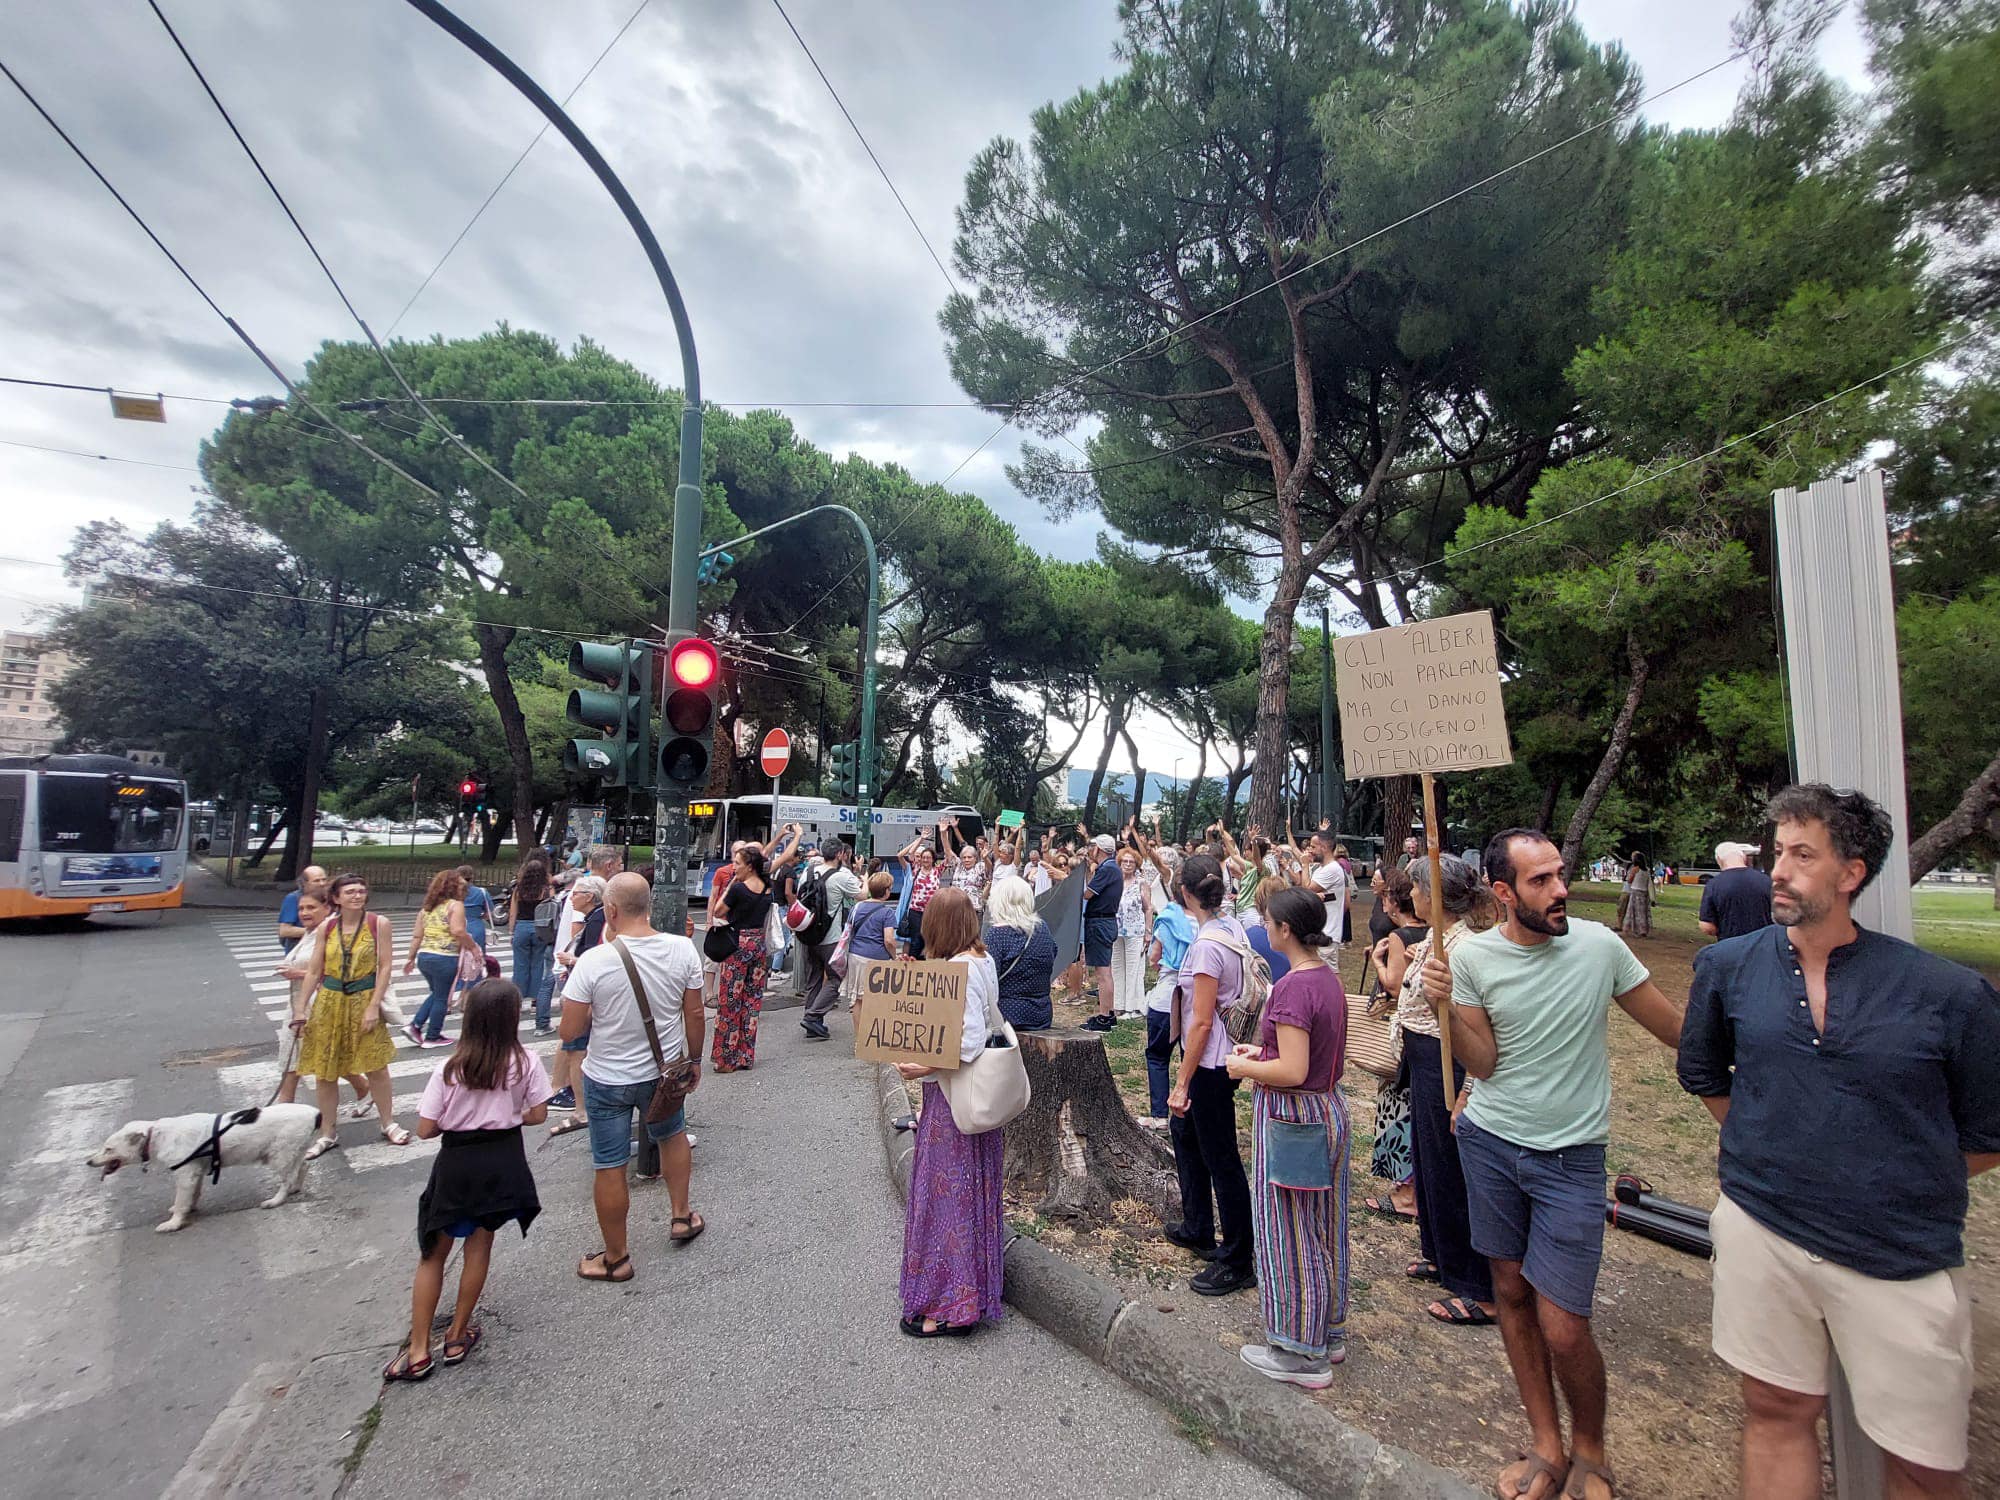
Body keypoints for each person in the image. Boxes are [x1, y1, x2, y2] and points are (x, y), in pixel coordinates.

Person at [1679, 786, 2000, 1500]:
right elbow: (1702, 1071)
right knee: (1775, 1409)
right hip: (1763, 1229)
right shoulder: (1728, 969)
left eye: (1802, 855)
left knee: (1922, 1457)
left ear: (1851, 873)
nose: (1780, 871)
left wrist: (1888, 1181)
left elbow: (1989, 1131)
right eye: (1777, 853)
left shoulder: (1948, 996)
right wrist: (1773, 1147)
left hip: (1899, 1257)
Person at [1421, 830, 1684, 1500]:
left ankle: (1590, 1452)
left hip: (1571, 1159)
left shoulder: (1600, 947)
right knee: (1509, 1292)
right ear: (1503, 892)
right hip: (1490, 1144)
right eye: (1540, 881)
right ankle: (1547, 1444)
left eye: (1560, 875)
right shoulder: (1473, 957)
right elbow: (1484, 1065)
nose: (1559, 890)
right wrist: (1442, 1005)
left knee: (1565, 1325)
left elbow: (1676, 1030)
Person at [383, 977, 552, 1383]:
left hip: (457, 1162)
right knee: (480, 1244)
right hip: (503, 1159)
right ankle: (458, 1335)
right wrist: (507, 1114)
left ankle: (419, 1350)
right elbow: (539, 1115)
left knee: (433, 1252)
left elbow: (426, 1129)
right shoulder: (526, 1061)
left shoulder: (451, 1067)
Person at [1225, 886, 1350, 1386]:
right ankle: (1329, 1330)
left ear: (1285, 931)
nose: (1264, 925)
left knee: (1290, 1232)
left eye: (1268, 920)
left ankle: (1301, 1351)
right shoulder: (1326, 977)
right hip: (1327, 1111)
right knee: (1322, 1225)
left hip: (1296, 1119)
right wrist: (1263, 1054)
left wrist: (1243, 1067)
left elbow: (1295, 1069)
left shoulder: (1294, 987)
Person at [560, 872, 705, 1283]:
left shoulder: (594, 961)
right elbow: (694, 1014)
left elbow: (569, 1032)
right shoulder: (681, 949)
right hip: (663, 1074)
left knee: (609, 1164)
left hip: (607, 1076)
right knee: (672, 1136)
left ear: (610, 910)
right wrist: (694, 1060)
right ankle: (680, 1216)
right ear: (650, 906)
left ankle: (616, 1257)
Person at [892, 888, 1006, 1337]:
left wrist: (923, 1065)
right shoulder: (981, 960)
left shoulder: (959, 967)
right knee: (971, 1193)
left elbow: (967, 1041)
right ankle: (972, 1292)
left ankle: (948, 1305)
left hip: (952, 1095)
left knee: (946, 1199)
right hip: (976, 1098)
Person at [1402, 854, 1500, 1328]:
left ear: (1436, 895)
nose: (1413, 896)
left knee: (1450, 1165)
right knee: (1428, 1159)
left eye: (1419, 888)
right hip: (1421, 1056)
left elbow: (1470, 1019)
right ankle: (1440, 1251)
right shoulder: (1432, 939)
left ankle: (1476, 1283)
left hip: (1449, 1061)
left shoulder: (1462, 948)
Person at [1161, 852, 1257, 1296]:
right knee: (1189, 1139)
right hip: (1218, 1057)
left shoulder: (1206, 947)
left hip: (1210, 1062)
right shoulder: (1230, 927)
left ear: (1184, 893)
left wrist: (1181, 1082)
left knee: (1221, 1157)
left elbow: (1200, 1021)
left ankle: (1239, 1257)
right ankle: (1197, 1224)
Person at [296, 873, 411, 1159]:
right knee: (326, 1071)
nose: (357, 895)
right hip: (330, 1001)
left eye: (361, 891)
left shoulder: (378, 924)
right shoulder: (327, 927)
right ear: (336, 898)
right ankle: (327, 1132)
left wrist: (373, 1006)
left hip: (363, 999)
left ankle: (388, 1122)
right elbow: (314, 970)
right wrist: (301, 1008)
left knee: (376, 1066)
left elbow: (385, 967)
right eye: (350, 892)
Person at [1358, 866, 1423, 1222]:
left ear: (1390, 901)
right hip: (1425, 1037)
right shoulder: (1431, 932)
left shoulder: (1402, 937)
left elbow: (1395, 986)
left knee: (1398, 1108)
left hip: (1402, 1030)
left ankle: (1404, 1193)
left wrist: (1380, 962)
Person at [274, 889, 373, 1118]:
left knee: (325, 1057)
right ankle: (282, 1110)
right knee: (293, 1056)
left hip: (321, 1003)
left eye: (311, 908)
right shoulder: (310, 933)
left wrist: (297, 973)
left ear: (327, 908)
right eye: (301, 908)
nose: (305, 912)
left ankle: (362, 1090)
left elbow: (336, 972)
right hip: (299, 1003)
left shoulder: (331, 933)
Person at [544, 874, 605, 1131]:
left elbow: (596, 959)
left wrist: (571, 961)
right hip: (584, 992)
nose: (571, 898)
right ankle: (580, 1105)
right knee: (574, 1049)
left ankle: (582, 1109)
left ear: (589, 897)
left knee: (576, 1049)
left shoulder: (596, 920)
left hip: (585, 995)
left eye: (576, 893)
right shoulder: (596, 918)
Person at [708, 844, 773, 1070]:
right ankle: (746, 1055)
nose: (734, 867)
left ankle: (726, 1058)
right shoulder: (767, 888)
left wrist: (731, 885)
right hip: (758, 944)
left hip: (737, 945)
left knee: (729, 1001)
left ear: (750, 866)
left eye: (737, 863)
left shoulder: (738, 889)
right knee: (752, 1000)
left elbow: (718, 911)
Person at [403, 869, 477, 1048]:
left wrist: (410, 958)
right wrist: (473, 947)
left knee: (437, 993)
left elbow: (417, 936)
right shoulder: (455, 905)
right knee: (442, 997)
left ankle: (416, 1026)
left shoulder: (427, 909)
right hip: (445, 957)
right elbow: (458, 930)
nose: (463, 889)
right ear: (452, 886)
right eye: (460, 885)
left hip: (425, 956)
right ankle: (433, 1035)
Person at [800, 839, 862, 1042]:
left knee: (814, 978)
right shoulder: (840, 877)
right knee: (836, 977)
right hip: (830, 937)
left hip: (808, 934)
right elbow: (862, 894)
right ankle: (813, 1016)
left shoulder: (807, 872)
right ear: (839, 855)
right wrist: (865, 876)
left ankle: (811, 1021)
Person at [983, 875, 1056, 1031]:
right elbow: (1053, 953)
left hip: (1006, 1017)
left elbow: (988, 978)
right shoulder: (1043, 928)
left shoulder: (996, 934)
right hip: (1041, 1013)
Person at [1079, 833, 1124, 1031]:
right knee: (1105, 971)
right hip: (1104, 922)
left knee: (1102, 973)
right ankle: (1109, 1012)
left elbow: (1087, 893)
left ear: (1099, 849)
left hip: (1100, 922)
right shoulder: (1109, 868)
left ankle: (1104, 1016)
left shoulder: (1108, 869)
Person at [508, 855, 557, 1036]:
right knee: (538, 965)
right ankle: (537, 1001)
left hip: (521, 927)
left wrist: (512, 932)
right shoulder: (546, 890)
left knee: (520, 966)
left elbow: (513, 913)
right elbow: (552, 910)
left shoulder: (518, 889)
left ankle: (518, 1001)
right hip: (540, 929)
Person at [838, 870, 902, 1000]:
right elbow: (888, 940)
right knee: (876, 1000)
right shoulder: (887, 912)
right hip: (877, 960)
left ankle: (858, 1022)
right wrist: (895, 956)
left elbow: (848, 931)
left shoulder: (857, 907)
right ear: (886, 891)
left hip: (855, 956)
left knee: (856, 999)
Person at [1697, 841, 1771, 943]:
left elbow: (1707, 926)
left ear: (1719, 860)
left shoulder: (1714, 885)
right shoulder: (1766, 881)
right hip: (1764, 945)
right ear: (1743, 858)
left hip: (1730, 946)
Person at [1109, 845, 1150, 1019]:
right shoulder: (1115, 881)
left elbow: (1148, 908)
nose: (1127, 864)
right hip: (1116, 930)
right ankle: (1118, 1004)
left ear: (1136, 864)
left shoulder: (1141, 883)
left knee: (1134, 968)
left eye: (1131, 862)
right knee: (1117, 967)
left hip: (1136, 930)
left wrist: (1149, 932)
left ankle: (1133, 1007)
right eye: (1124, 861)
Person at [896, 832, 943, 959]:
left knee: (928, 937)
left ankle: (922, 960)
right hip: (915, 910)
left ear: (933, 859)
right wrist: (921, 838)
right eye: (923, 857)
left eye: (928, 857)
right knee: (916, 938)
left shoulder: (937, 871)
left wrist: (943, 833)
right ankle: (913, 960)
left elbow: (949, 857)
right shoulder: (916, 869)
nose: (926, 860)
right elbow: (908, 855)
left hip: (931, 911)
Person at [1306, 830, 1348, 949]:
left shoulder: (1332, 869)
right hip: (1320, 933)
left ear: (1324, 847)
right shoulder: (1321, 869)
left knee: (1328, 968)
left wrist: (1304, 865)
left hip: (1328, 934)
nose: (1310, 851)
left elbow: (1308, 889)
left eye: (1313, 847)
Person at [277, 864, 328, 952]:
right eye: (316, 881)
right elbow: (285, 931)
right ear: (305, 883)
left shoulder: (329, 897)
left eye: (324, 880)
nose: (322, 884)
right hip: (299, 951)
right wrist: (319, 932)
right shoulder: (294, 898)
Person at [456, 863, 494, 952]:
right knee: (478, 956)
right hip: (476, 926)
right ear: (472, 877)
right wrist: (479, 917)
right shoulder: (482, 892)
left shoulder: (453, 893)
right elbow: (489, 913)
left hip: (457, 925)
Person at [1619, 852, 1652, 938]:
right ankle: (1643, 930)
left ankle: (1627, 929)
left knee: (1632, 912)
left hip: (1635, 891)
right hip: (1644, 892)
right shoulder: (1647, 870)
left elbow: (1630, 880)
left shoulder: (1635, 869)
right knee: (1642, 912)